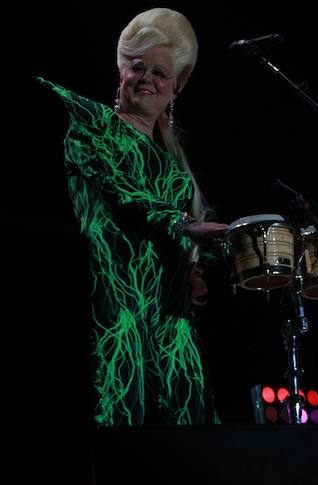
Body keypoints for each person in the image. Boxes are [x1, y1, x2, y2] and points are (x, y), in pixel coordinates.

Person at [38, 8, 228, 426]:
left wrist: (204, 262)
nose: (147, 78)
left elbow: (184, 238)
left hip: (170, 322)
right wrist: (181, 226)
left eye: (160, 72)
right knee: (122, 429)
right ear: (121, 73)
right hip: (114, 307)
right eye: (137, 66)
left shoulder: (176, 169)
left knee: (195, 442)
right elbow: (122, 191)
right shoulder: (93, 126)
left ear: (176, 88)